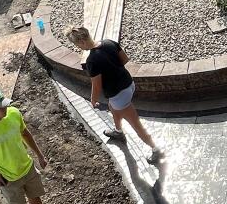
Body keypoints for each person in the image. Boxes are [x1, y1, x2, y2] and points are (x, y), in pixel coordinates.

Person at [66, 27, 163, 164]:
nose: (77, 48)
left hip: (118, 94)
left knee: (137, 125)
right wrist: (113, 70)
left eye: (76, 45)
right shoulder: (108, 42)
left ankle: (155, 149)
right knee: (112, 107)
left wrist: (93, 100)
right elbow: (124, 59)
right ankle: (118, 131)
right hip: (129, 84)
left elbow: (97, 85)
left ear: (81, 41)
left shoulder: (92, 61)